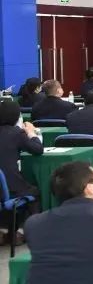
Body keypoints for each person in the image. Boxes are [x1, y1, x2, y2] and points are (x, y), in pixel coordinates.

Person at [0, 99, 42, 244]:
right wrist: (31, 133)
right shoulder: (16, 133)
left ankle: (9, 231)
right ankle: (33, 233)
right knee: (34, 191)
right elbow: (37, 149)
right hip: (10, 187)